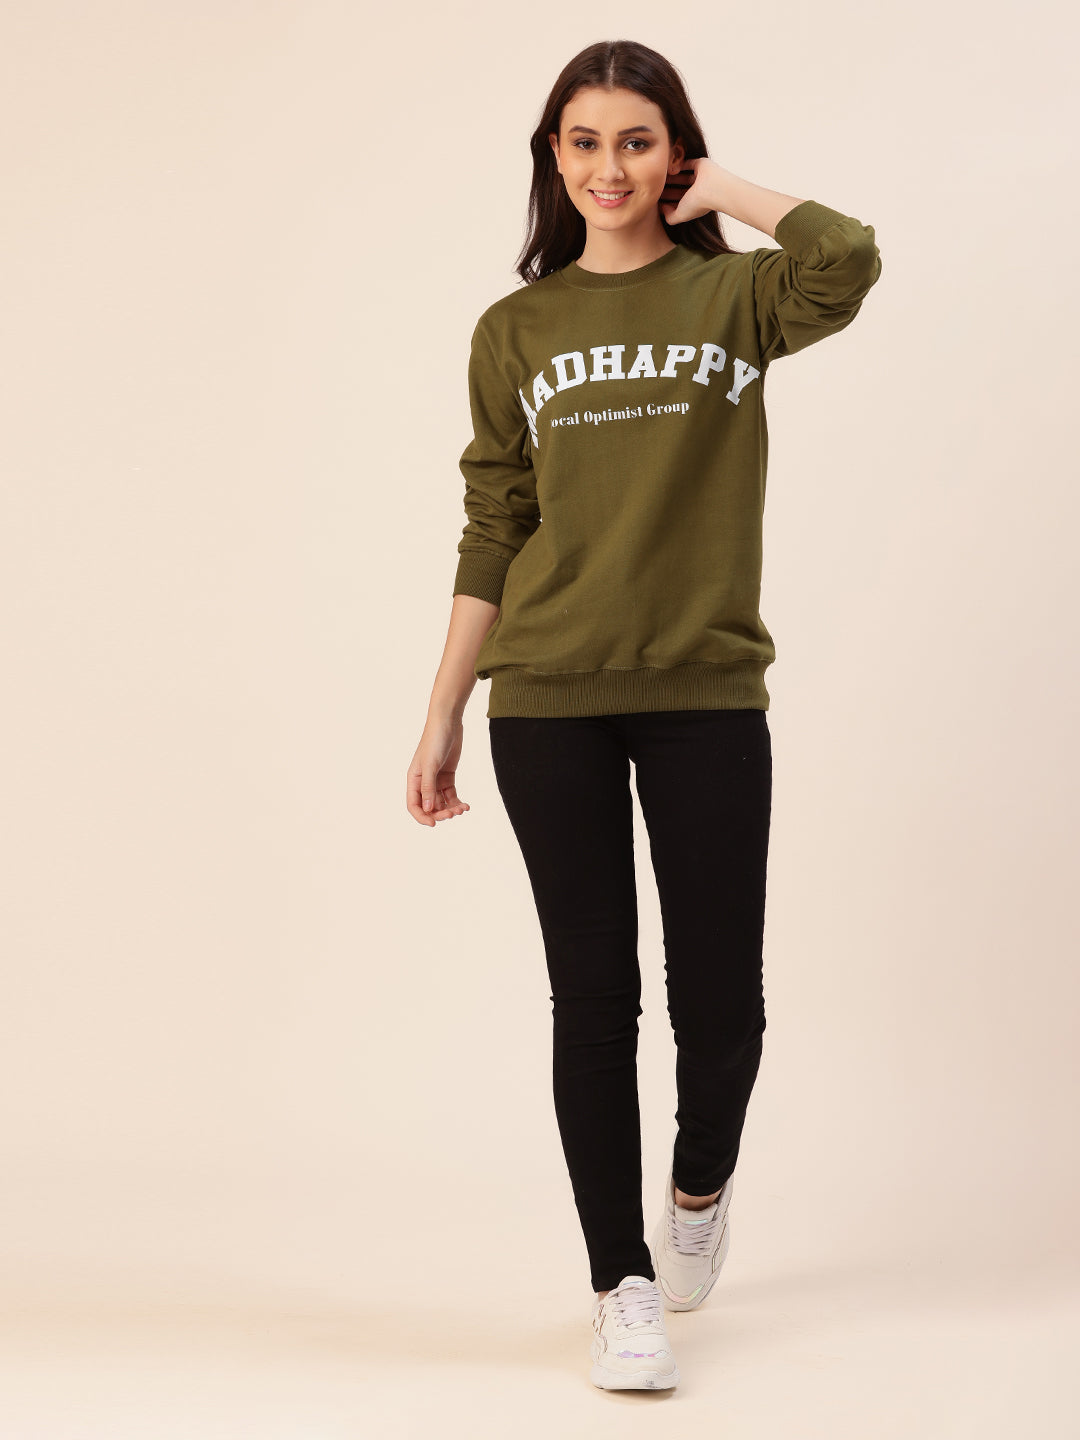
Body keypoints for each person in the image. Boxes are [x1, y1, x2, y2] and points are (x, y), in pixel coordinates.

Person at [406, 38, 882, 1392]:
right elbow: (496, 523)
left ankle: (698, 1188)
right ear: (552, 158)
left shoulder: (736, 298)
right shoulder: (515, 330)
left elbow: (848, 257)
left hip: (705, 692)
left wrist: (722, 189)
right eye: (584, 141)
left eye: (637, 140)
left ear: (672, 150)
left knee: (721, 1002)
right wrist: (443, 709)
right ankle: (620, 1279)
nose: (608, 167)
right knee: (594, 998)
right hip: (547, 699)